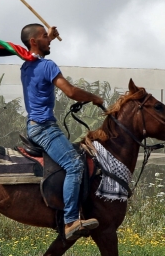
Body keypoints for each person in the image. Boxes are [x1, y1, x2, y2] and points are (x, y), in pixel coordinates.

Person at [19, 23, 106, 240]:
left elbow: (37, 51)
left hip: (35, 126)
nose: (48, 40)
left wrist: (47, 37)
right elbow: (70, 91)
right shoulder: (48, 66)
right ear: (33, 41)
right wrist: (94, 98)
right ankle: (70, 221)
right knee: (74, 164)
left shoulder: (26, 67)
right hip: (44, 128)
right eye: (44, 37)